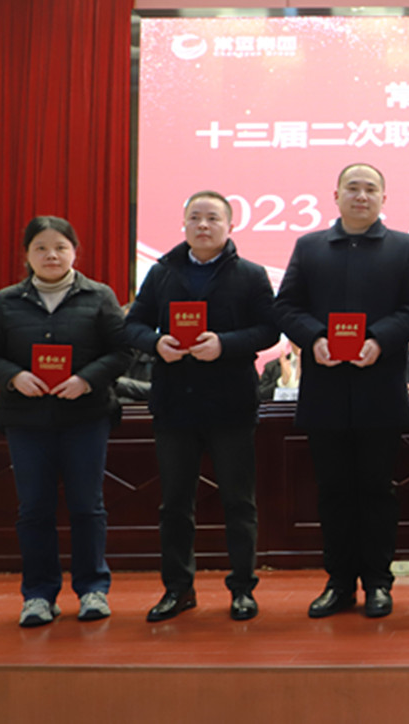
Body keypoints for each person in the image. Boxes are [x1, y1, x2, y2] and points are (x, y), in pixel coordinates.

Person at [274, 163, 409, 618]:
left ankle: (379, 583)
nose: (361, 196)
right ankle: (339, 582)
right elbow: (285, 307)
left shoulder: (405, 247)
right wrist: (314, 339)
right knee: (332, 491)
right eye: (353, 188)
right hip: (325, 391)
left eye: (370, 189)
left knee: (377, 490)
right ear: (336, 195)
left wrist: (380, 339)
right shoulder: (310, 247)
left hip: (379, 389)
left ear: (384, 198)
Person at [124, 190, 279, 622]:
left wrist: (224, 344)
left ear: (230, 225)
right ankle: (178, 589)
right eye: (195, 217)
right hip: (175, 404)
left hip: (231, 404)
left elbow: (270, 330)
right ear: (184, 224)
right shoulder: (162, 272)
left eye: (213, 218)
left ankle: (242, 589)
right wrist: (156, 343)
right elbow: (132, 325)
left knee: (238, 502)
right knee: (175, 504)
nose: (203, 225)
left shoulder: (250, 275)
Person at [0, 216, 130, 627]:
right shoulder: (7, 301)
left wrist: (86, 379)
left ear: (74, 251)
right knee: (34, 508)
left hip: (86, 417)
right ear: (27, 254)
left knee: (87, 506)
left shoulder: (99, 296)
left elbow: (122, 352)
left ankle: (93, 589)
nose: (51, 255)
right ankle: (39, 595)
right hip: (26, 421)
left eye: (60, 247)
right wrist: (14, 377)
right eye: (40, 247)